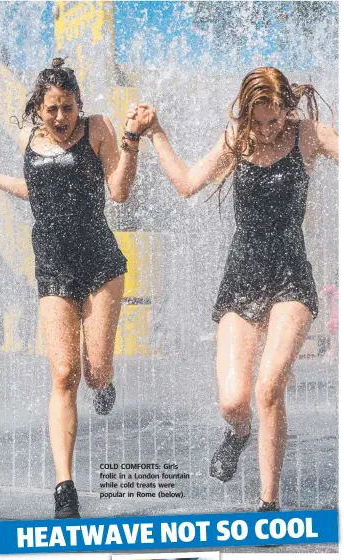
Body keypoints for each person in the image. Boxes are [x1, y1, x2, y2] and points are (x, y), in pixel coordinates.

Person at [133, 67, 338, 511]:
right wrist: (155, 132)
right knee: (235, 401)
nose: (266, 131)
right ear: (245, 114)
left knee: (268, 389)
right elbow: (187, 185)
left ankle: (269, 503)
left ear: (288, 108)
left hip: (290, 278)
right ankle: (240, 432)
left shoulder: (308, 136)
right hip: (241, 278)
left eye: (275, 120)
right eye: (258, 121)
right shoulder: (236, 140)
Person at [0, 58, 153, 518]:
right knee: (63, 373)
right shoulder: (29, 139)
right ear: (38, 110)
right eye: (52, 109)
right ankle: (65, 488)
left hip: (101, 265)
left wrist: (132, 141)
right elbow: (37, 188)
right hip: (52, 269)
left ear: (79, 105)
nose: (60, 118)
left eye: (67, 108)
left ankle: (106, 383)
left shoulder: (99, 129)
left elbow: (119, 192)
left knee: (94, 373)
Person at [320, 274, 339, 361]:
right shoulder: (333, 288)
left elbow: (321, 294)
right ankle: (333, 352)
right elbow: (322, 294)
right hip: (335, 316)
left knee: (333, 336)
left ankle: (333, 352)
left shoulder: (333, 288)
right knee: (333, 335)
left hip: (334, 316)